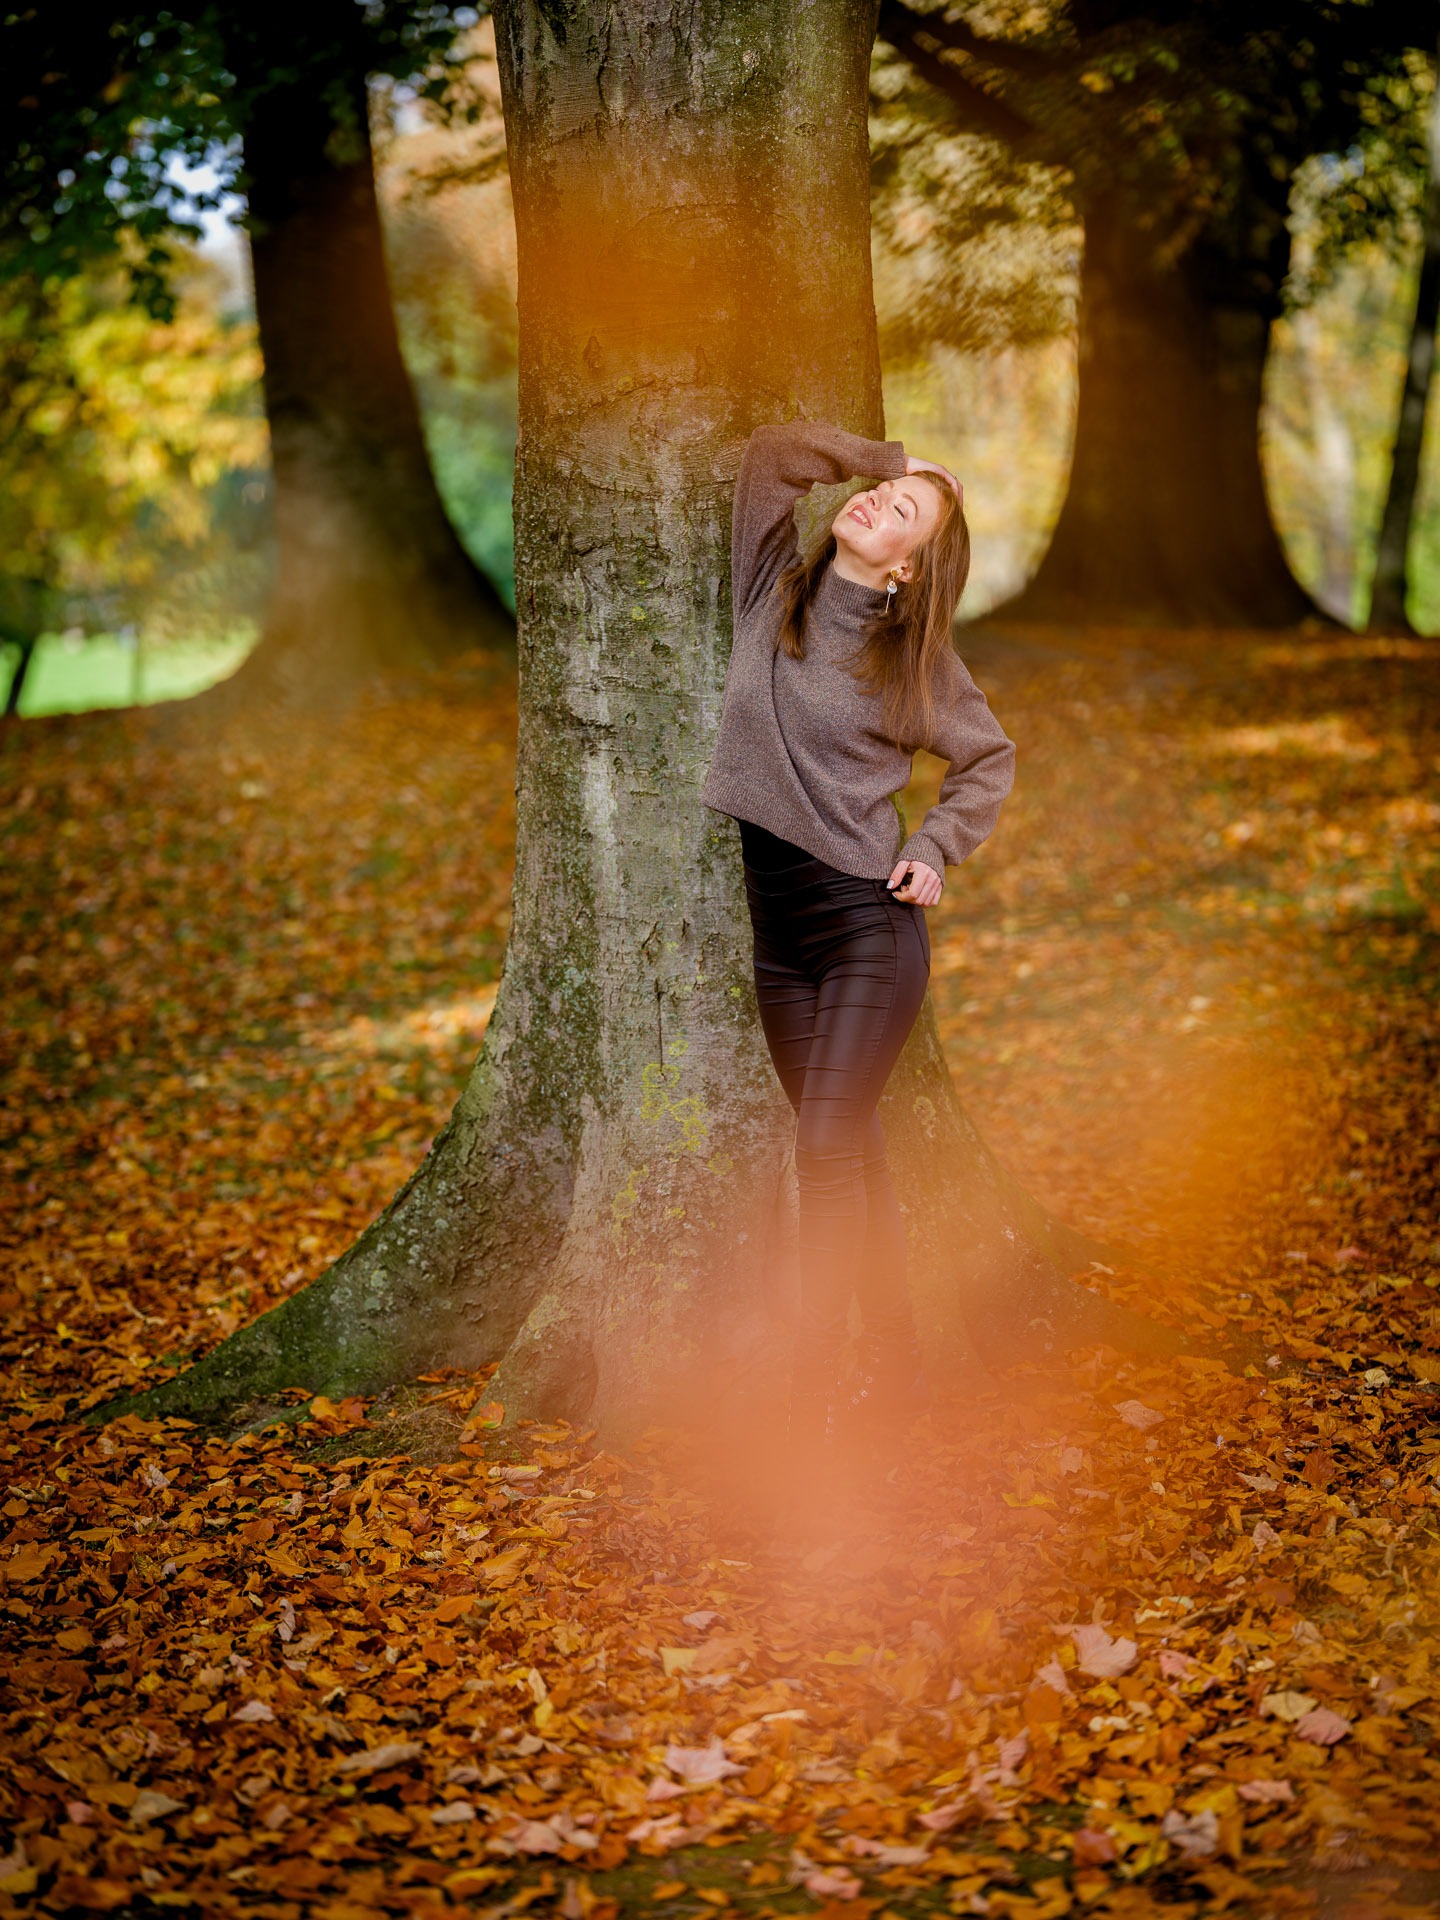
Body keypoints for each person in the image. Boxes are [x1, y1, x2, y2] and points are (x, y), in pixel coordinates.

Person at [701, 419, 1016, 1453]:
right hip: (777, 934)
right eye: (883, 493)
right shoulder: (769, 590)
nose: (881, 504)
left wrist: (934, 846)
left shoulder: (905, 660)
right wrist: (900, 466)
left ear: (909, 567)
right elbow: (770, 457)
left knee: (828, 1146)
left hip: (863, 932)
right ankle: (897, 1375)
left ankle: (812, 1380)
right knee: (852, 1156)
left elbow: (987, 761)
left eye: (907, 514)